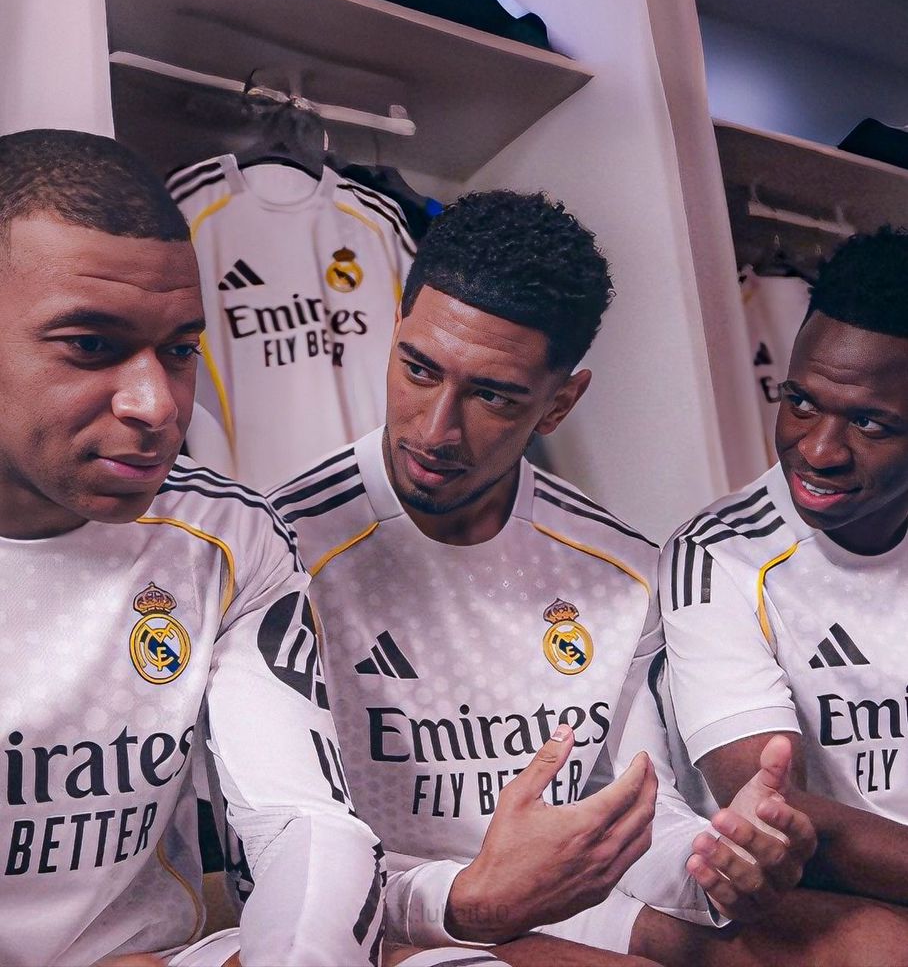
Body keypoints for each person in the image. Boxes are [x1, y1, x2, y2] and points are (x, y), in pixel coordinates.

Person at [271, 190, 893, 967]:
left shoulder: (622, 567)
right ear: (393, 336)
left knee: (873, 946)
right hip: (389, 916)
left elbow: (640, 807)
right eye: (420, 370)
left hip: (581, 905)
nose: (435, 429)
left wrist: (716, 864)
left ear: (560, 403)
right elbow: (276, 853)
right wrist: (472, 899)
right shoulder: (280, 552)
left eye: (492, 395)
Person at [0, 128, 385, 967]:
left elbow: (302, 820)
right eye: (91, 346)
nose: (157, 404)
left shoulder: (229, 537)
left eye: (179, 350)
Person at [661, 225, 908, 925]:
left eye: (870, 423)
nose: (818, 450)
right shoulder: (717, 556)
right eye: (799, 402)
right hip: (824, 918)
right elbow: (772, 818)